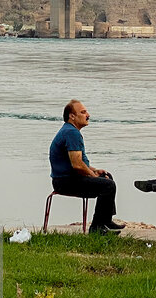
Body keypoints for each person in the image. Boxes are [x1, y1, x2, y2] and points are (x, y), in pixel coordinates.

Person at [49, 100, 123, 234]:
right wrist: (91, 174)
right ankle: (97, 228)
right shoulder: (72, 133)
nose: (87, 115)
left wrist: (94, 170)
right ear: (72, 116)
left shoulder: (70, 131)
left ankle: (106, 221)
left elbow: (77, 162)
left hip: (65, 179)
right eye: (83, 112)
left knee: (107, 176)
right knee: (108, 185)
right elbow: (77, 165)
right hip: (65, 182)